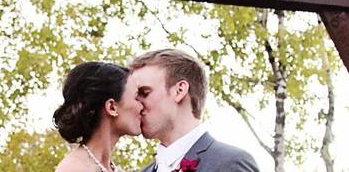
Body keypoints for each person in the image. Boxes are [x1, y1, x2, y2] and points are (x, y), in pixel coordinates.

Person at [128, 49, 260, 172]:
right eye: (134, 96)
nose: (136, 104)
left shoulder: (231, 164)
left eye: (144, 93)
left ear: (179, 91)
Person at [54, 61, 143, 172]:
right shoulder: (74, 168)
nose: (142, 105)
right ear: (112, 107)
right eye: (136, 97)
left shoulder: (110, 168)